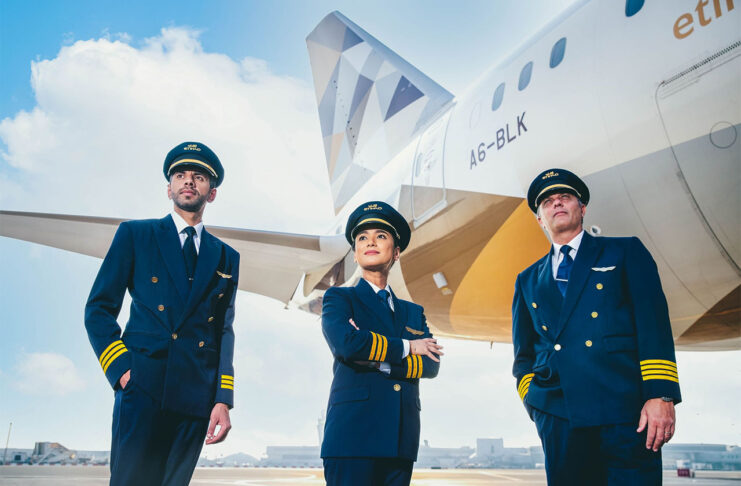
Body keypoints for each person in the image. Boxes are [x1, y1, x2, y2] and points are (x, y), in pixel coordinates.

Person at [511, 168, 681, 485]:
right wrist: (535, 402)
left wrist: (662, 394)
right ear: (540, 220)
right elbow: (524, 355)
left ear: (582, 208)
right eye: (547, 202)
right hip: (560, 417)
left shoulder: (625, 252)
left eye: (565, 197)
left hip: (625, 411)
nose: (556, 203)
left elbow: (653, 326)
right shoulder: (527, 280)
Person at [84, 141, 240, 486]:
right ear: (169, 189)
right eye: (180, 175)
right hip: (143, 385)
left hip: (196, 394)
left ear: (211, 193)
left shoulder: (227, 257)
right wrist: (122, 370)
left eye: (199, 177)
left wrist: (223, 399)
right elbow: (98, 308)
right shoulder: (136, 235)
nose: (189, 181)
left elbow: (223, 332)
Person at [320, 201, 443, 486]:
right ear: (355, 254)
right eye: (362, 238)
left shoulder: (413, 312)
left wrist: (375, 357)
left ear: (396, 252)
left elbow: (431, 364)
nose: (370, 242)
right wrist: (409, 347)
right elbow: (348, 346)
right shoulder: (339, 298)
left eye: (381, 236)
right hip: (353, 438)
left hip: (400, 440)